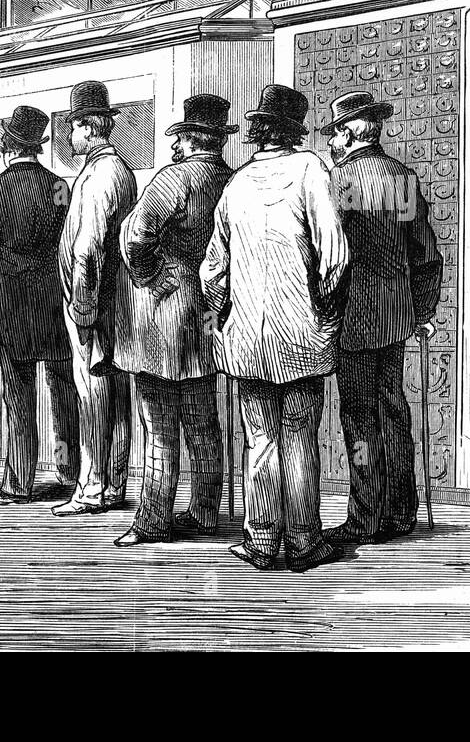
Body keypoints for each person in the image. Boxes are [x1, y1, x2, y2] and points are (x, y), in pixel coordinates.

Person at [201, 84, 350, 573]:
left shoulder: (236, 184)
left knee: (259, 436)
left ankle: (263, 538)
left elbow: (212, 271)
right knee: (300, 434)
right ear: (295, 130)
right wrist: (326, 313)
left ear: (259, 132)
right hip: (300, 333)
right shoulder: (311, 170)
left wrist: (224, 312)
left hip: (246, 339)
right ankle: (304, 539)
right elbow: (334, 254)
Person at [113, 95, 236, 546]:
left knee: (159, 424)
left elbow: (136, 235)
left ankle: (152, 520)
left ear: (186, 140)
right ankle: (205, 513)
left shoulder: (174, 179)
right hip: (209, 311)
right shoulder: (233, 180)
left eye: (179, 139)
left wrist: (148, 273)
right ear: (218, 141)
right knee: (203, 419)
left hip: (164, 312)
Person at [322, 90, 443, 545]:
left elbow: (327, 258)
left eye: (335, 131)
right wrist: (424, 310)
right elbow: (426, 255)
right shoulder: (402, 178)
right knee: (393, 409)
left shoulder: (339, 182)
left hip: (351, 316)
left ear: (350, 132)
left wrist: (322, 308)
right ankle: (400, 512)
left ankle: (364, 518)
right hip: (396, 316)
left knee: (358, 417)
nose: (332, 140)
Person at [0, 106, 81, 505]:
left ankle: (18, 484)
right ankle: (69, 473)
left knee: (19, 397)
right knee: (64, 391)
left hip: (12, 307)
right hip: (55, 306)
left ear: (8, 145)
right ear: (38, 146)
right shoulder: (59, 187)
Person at [55, 81, 137, 518]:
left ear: (87, 128)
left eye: (72, 127)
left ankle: (91, 489)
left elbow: (88, 248)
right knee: (115, 395)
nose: (70, 137)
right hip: (114, 302)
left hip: (94, 303)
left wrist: (83, 309)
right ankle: (115, 484)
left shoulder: (100, 174)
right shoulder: (119, 170)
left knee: (93, 396)